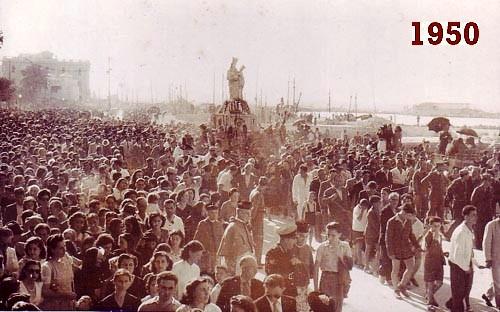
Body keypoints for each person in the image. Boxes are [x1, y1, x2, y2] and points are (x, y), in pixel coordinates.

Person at [314, 222, 352, 312]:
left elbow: (350, 266)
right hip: (325, 279)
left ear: (339, 234)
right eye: (328, 235)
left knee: (336, 308)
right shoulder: (322, 247)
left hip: (339, 280)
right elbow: (316, 269)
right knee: (324, 308)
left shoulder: (345, 246)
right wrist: (316, 289)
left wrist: (341, 256)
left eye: (333, 235)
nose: (330, 238)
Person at [445, 205, 478, 312]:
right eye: (473, 215)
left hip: (465, 264)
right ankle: (455, 307)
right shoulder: (461, 232)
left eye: (476, 215)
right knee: (459, 295)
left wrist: (473, 262)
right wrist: (466, 268)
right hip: (458, 265)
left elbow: (468, 249)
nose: (476, 217)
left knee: (464, 291)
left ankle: (451, 303)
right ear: (466, 217)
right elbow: (457, 256)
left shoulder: (469, 229)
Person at [386, 203, 421, 298]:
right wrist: (390, 252)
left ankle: (402, 285)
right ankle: (396, 290)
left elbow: (411, 234)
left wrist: (417, 245)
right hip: (395, 249)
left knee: (411, 267)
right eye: (409, 215)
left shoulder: (408, 221)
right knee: (395, 270)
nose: (410, 217)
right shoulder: (392, 221)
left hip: (406, 248)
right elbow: (388, 238)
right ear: (404, 212)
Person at [41, 234, 76, 310]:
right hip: (54, 306)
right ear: (52, 250)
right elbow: (45, 291)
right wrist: (65, 294)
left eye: (64, 246)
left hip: (69, 305)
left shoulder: (67, 261)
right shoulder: (47, 267)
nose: (64, 250)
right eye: (61, 248)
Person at [217, 201, 254, 275]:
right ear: (239, 213)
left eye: (249, 214)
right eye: (247, 214)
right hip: (235, 266)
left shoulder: (243, 225)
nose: (249, 216)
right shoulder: (232, 227)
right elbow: (224, 251)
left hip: (243, 264)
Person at [265, 223, 298, 296]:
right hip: (277, 292)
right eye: (293, 239)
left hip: (288, 290)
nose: (295, 242)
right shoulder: (273, 253)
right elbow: (271, 275)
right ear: (286, 240)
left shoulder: (290, 252)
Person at [193, 205, 225, 275]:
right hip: (206, 254)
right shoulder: (202, 224)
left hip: (216, 253)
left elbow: (222, 239)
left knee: (216, 272)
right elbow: (197, 239)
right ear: (208, 213)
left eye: (216, 213)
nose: (214, 215)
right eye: (212, 213)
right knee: (205, 272)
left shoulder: (219, 224)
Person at [423, 217, 446, 308]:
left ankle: (429, 296)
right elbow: (430, 249)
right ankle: (430, 301)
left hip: (439, 261)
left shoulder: (439, 235)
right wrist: (435, 237)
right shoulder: (428, 236)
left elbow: (438, 247)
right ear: (430, 225)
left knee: (440, 282)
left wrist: (443, 253)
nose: (437, 228)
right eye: (435, 226)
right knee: (430, 282)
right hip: (430, 262)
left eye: (438, 226)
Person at [482, 214, 500, 309]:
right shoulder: (491, 225)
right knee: (497, 283)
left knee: (496, 281)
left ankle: (488, 296)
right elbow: (486, 242)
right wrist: (488, 258)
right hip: (495, 259)